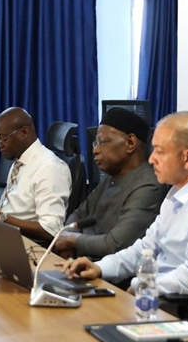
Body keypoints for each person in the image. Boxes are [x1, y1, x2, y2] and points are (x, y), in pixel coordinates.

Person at [63, 112, 188, 298]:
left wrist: (139, 286)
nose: (152, 158)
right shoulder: (176, 194)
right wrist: (100, 268)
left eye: (160, 151)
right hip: (158, 296)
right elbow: (145, 249)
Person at [54, 108, 166, 260]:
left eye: (102, 142)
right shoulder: (111, 176)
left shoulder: (148, 187)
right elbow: (79, 214)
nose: (95, 150)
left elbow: (115, 244)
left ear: (130, 143)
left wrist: (72, 240)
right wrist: (68, 236)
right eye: (95, 143)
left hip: (108, 269)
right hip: (82, 262)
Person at [0, 107, 71, 240]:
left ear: (24, 132)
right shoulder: (20, 161)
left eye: (3, 138)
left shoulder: (49, 168)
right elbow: (17, 209)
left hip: (25, 244)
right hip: (4, 235)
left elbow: (50, 229)